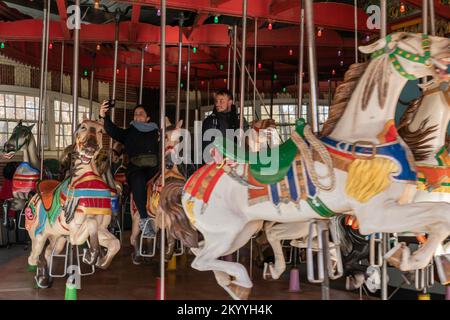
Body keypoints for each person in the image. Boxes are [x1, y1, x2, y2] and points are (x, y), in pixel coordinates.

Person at [99, 102, 159, 237]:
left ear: (148, 117)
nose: (137, 116)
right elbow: (114, 131)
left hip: (153, 168)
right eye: (136, 114)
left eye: (141, 114)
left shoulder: (156, 131)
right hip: (136, 168)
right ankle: (144, 219)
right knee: (138, 180)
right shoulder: (130, 131)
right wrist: (104, 116)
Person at [201, 89, 248, 161]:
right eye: (216, 101)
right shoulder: (210, 121)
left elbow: (247, 137)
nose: (217, 104)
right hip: (218, 161)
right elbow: (207, 145)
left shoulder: (240, 119)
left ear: (230, 102)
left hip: (238, 159)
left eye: (221, 101)